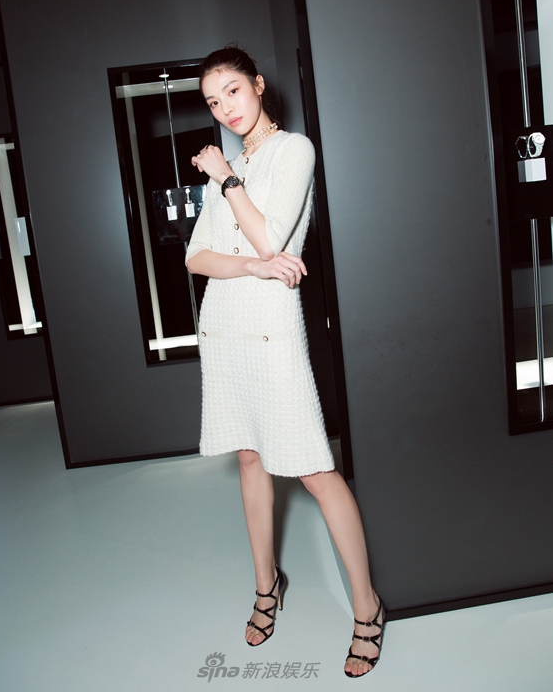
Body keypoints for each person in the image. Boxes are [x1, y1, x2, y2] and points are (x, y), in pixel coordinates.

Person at [185, 46, 384, 678]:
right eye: (213, 101)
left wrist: (227, 180)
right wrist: (251, 264)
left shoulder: (292, 151)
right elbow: (197, 258)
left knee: (315, 470)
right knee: (249, 457)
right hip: (226, 326)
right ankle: (267, 586)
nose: (225, 108)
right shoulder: (229, 168)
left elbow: (273, 236)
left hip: (272, 330)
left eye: (232, 91)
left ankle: (367, 607)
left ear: (258, 85)